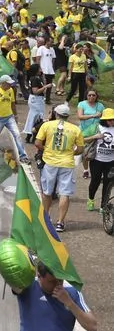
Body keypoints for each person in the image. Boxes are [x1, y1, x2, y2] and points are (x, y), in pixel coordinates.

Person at [35, 104, 84, 232]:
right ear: (68, 116)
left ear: (56, 114)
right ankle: (60, 222)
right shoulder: (75, 129)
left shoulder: (47, 125)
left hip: (50, 162)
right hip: (67, 163)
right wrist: (71, 153)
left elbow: (37, 143)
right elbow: (80, 149)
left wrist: (47, 150)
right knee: (64, 193)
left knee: (47, 192)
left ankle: (46, 218)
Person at [0, 74, 30, 163]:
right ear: (3, 83)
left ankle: (23, 156)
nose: (10, 85)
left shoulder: (10, 90)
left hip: (9, 117)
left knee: (17, 135)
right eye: (8, 83)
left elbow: (12, 104)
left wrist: (16, 115)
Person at [85, 108, 114, 211]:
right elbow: (82, 138)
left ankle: (103, 205)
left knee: (108, 183)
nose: (112, 122)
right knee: (95, 181)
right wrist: (95, 136)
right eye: (110, 120)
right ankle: (91, 199)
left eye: (113, 119)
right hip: (97, 160)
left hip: (111, 162)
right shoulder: (97, 127)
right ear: (104, 120)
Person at [77, 88, 104, 180]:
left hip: (97, 131)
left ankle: (96, 171)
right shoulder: (82, 104)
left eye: (93, 95)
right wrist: (93, 115)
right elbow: (80, 116)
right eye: (89, 95)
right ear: (87, 96)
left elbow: (103, 118)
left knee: (96, 152)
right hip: (85, 131)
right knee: (86, 152)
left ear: (96, 96)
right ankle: (85, 170)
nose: (91, 97)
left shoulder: (100, 106)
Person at [22, 65, 53, 143]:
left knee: (34, 117)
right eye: (39, 69)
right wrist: (46, 86)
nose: (41, 70)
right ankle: (32, 136)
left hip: (37, 100)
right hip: (36, 100)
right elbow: (35, 91)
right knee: (37, 117)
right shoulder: (35, 79)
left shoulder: (37, 78)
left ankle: (30, 136)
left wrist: (44, 81)